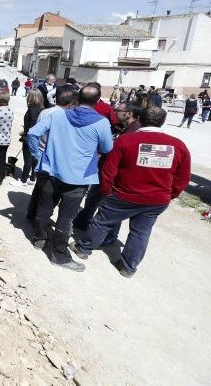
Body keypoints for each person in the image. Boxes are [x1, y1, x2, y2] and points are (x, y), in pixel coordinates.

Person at [70, 107, 191, 277]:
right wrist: (170, 195)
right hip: (156, 200)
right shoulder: (178, 145)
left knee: (102, 222)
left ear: (140, 119)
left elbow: (108, 170)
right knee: (141, 232)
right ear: (163, 122)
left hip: (123, 195)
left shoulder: (126, 140)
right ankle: (128, 267)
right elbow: (183, 177)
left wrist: (106, 192)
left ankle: (84, 249)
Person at [27, 86, 113, 271]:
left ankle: (39, 239)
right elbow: (106, 148)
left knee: (44, 209)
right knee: (66, 218)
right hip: (78, 178)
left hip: (51, 172)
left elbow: (33, 133)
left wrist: (38, 156)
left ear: (77, 98)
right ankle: (59, 255)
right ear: (97, 102)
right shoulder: (102, 122)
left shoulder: (57, 115)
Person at [73, 102, 141, 231]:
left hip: (115, 173)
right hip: (106, 169)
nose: (114, 113)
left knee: (110, 205)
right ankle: (83, 221)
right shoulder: (124, 127)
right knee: (93, 197)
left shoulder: (135, 131)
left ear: (129, 114)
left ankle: (107, 234)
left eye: (118, 111)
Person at [25, 89, 76, 221]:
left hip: (40, 153)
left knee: (39, 187)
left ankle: (31, 214)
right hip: (49, 156)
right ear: (70, 104)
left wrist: (35, 153)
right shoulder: (62, 115)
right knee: (47, 193)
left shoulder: (45, 111)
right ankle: (39, 220)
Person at [18, 90, 44, 186]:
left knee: (28, 159)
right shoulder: (41, 109)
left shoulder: (32, 109)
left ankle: (23, 181)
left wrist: (24, 132)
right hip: (38, 137)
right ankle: (32, 178)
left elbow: (32, 126)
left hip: (30, 137)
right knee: (34, 158)